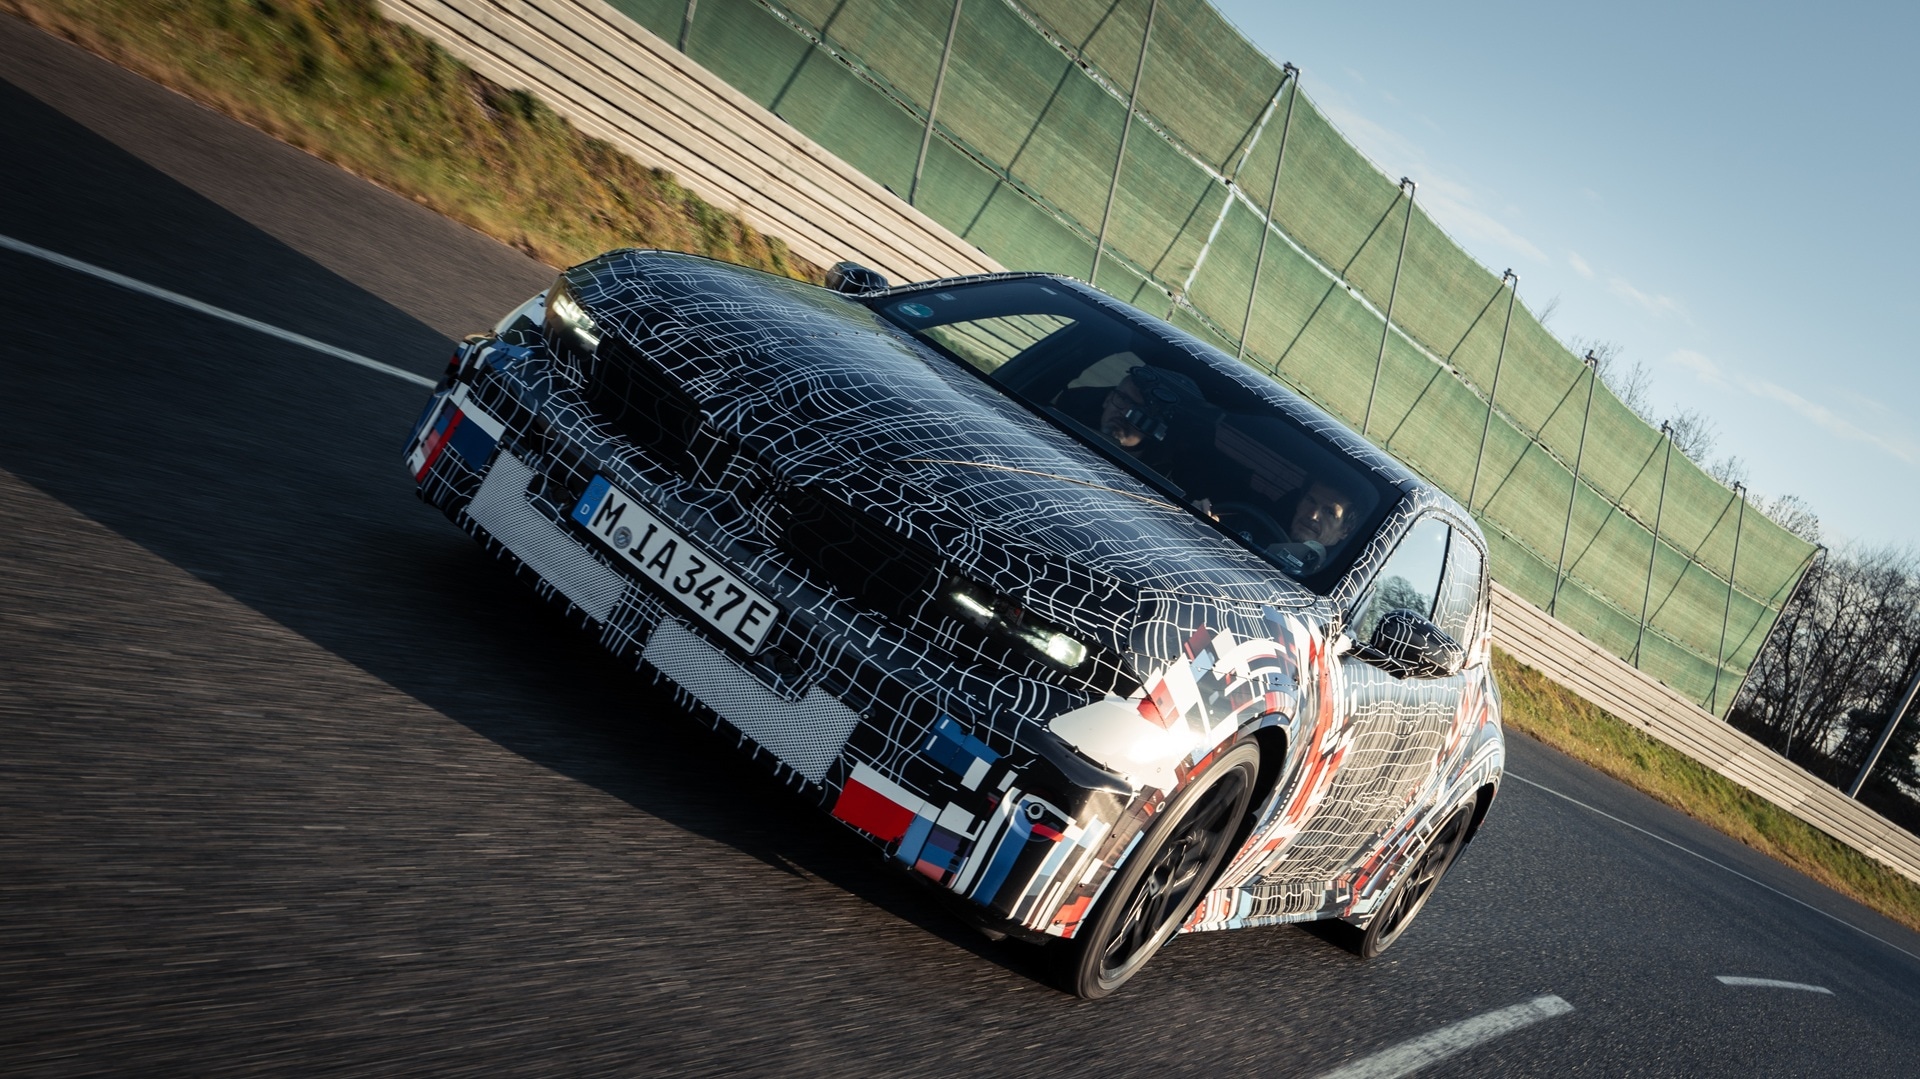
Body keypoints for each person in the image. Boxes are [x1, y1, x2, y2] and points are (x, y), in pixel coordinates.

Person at [1264, 480, 1356, 574]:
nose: (1313, 516)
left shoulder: (1335, 578)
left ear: (1345, 530)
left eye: (1329, 512)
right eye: (1311, 501)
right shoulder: (1257, 532)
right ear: (1299, 503)